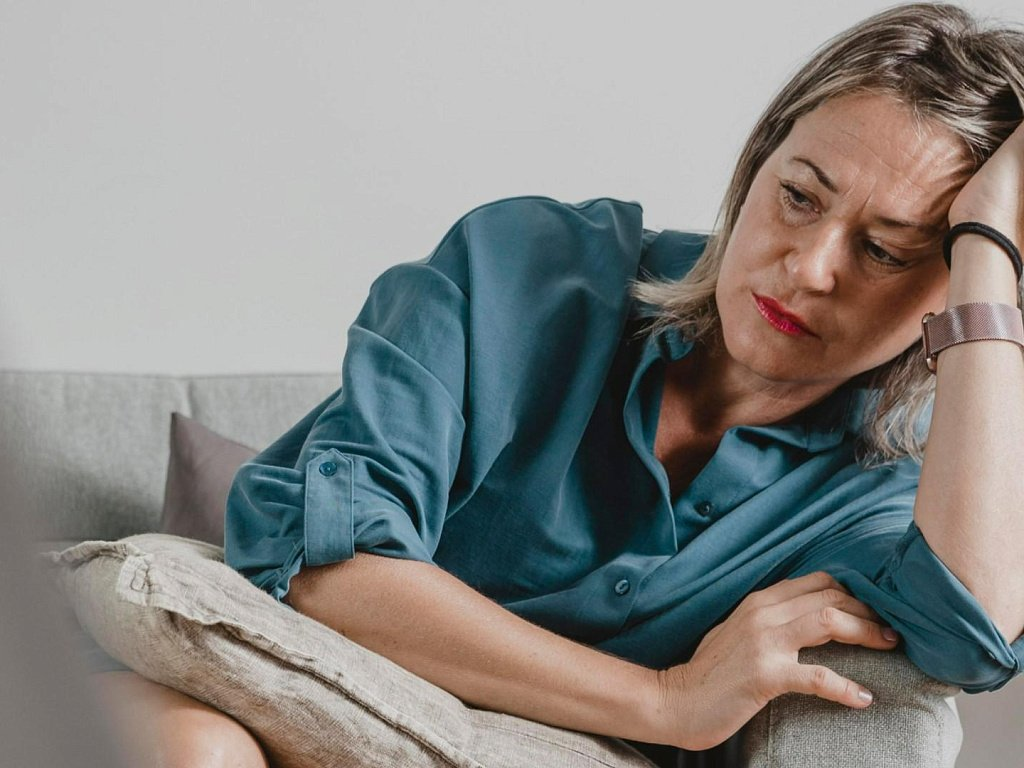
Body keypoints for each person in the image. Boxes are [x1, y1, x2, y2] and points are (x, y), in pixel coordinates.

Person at [96, 3, 1024, 766]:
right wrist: (665, 699)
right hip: (244, 702)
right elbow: (327, 568)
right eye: (798, 196)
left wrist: (990, 258)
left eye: (884, 251)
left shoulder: (895, 484)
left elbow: (971, 629)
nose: (810, 267)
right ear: (757, 164)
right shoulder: (521, 269)